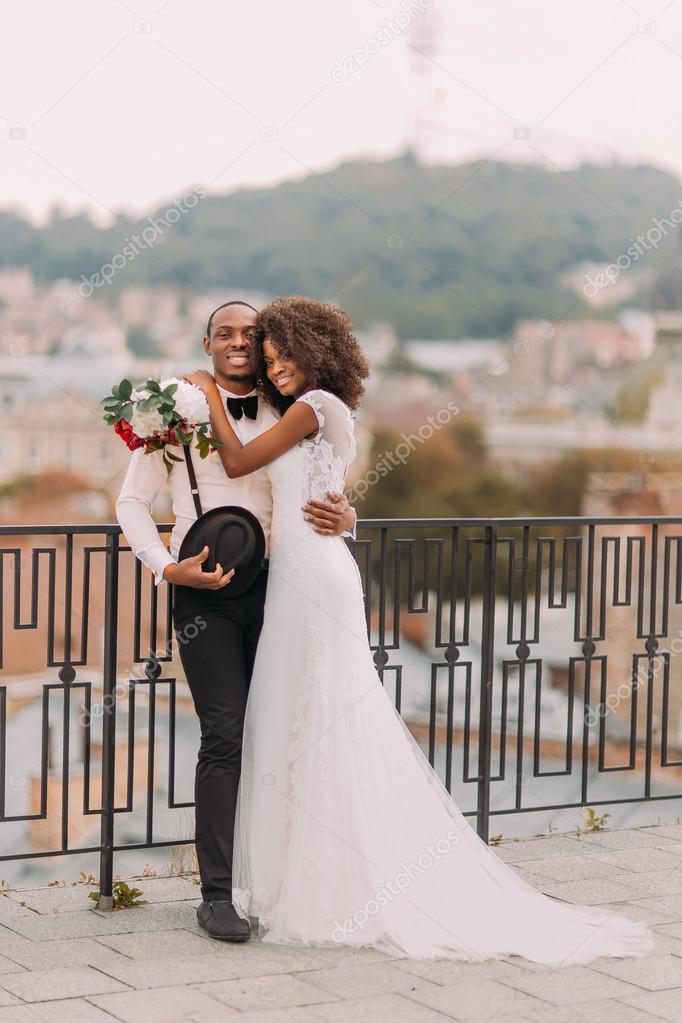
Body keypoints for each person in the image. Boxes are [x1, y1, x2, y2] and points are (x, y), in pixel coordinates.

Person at [185, 294, 654, 965]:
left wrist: (201, 387)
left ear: (317, 351)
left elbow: (237, 462)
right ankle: (303, 875)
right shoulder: (315, 412)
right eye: (270, 356)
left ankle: (328, 883)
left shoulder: (314, 408)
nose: (278, 365)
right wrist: (346, 514)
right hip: (303, 573)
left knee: (321, 720)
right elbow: (311, 486)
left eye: (286, 352)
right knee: (302, 720)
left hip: (312, 578)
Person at [116, 300, 357, 943]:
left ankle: (279, 879)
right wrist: (167, 567)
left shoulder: (292, 401)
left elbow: (322, 481)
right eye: (225, 333)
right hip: (208, 595)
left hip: (284, 587)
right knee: (224, 733)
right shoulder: (172, 412)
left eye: (251, 334)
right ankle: (218, 895)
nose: (239, 343)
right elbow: (132, 501)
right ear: (206, 343)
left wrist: (349, 517)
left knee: (284, 729)